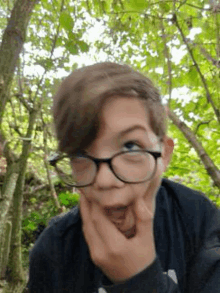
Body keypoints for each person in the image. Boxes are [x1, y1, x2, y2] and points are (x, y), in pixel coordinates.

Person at [28, 62, 220, 293]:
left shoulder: (199, 220)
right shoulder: (54, 249)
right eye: (80, 153)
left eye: (131, 147)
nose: (105, 180)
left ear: (164, 154)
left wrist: (140, 280)